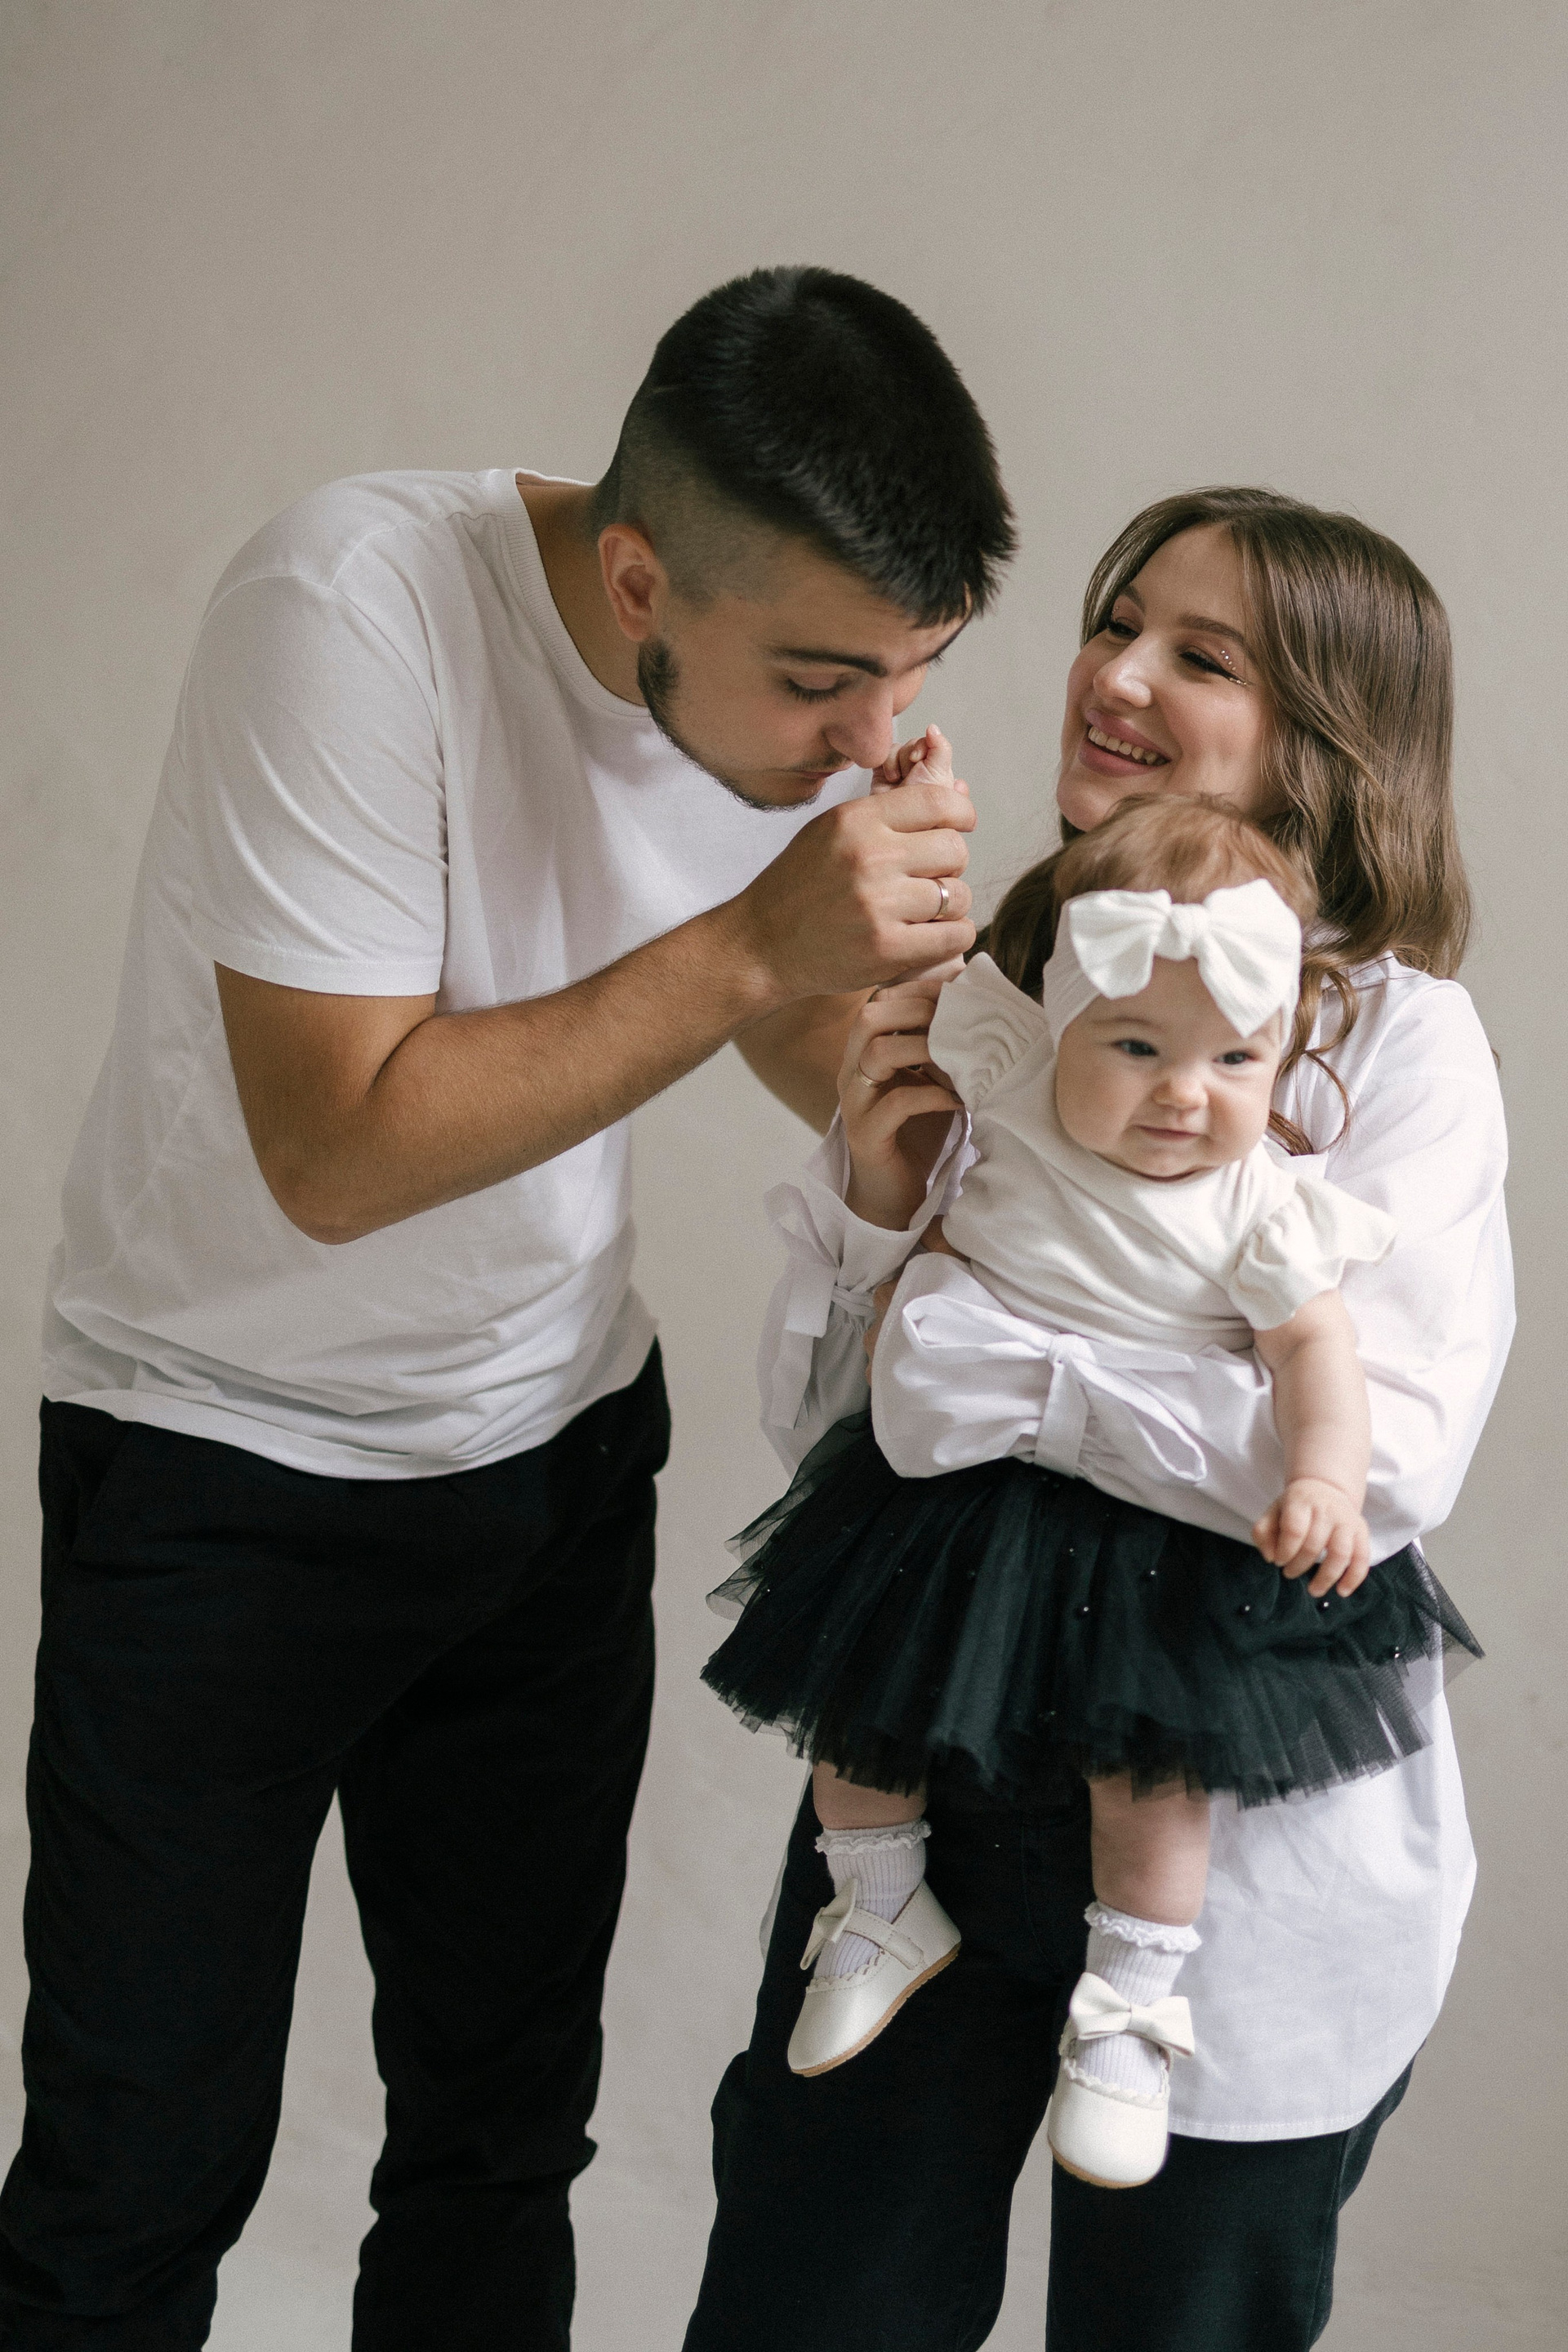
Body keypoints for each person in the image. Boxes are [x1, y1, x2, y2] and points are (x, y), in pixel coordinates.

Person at [2, 265, 1015, 2349]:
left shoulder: (768, 692)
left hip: (549, 1463)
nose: (870, 739)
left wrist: (927, 1070)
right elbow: (339, 1148)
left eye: (909, 678)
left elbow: (778, 1027)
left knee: (498, 2140)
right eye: (825, 684)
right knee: (135, 2168)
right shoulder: (348, 611)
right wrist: (762, 943)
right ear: (641, 582)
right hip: (219, 1467)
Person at [683, 487, 1512, 2352]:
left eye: (1199, 655)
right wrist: (881, 1203)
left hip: (1227, 1823)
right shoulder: (1018, 990)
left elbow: (1370, 1463)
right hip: (936, 1774)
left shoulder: (1403, 1044)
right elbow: (848, 1440)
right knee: (813, 2299)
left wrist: (1005, 1368)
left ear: (1327, 740)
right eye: (1116, 620)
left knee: (1176, 2319)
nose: (1115, 673)